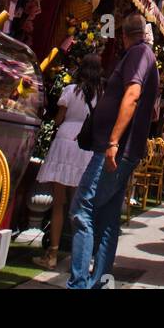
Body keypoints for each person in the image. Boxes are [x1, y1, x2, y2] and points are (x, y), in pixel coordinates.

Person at [67, 13, 159, 289]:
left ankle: (79, 283)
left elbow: (132, 95)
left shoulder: (139, 54)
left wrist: (113, 141)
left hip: (116, 150)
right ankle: (99, 282)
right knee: (107, 218)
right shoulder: (144, 56)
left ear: (124, 35)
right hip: (123, 150)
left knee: (82, 209)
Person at [34, 53, 104, 270]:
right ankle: (81, 257)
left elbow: (59, 119)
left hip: (65, 141)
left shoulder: (70, 91)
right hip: (85, 145)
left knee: (58, 203)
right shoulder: (100, 95)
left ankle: (52, 254)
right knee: (81, 205)